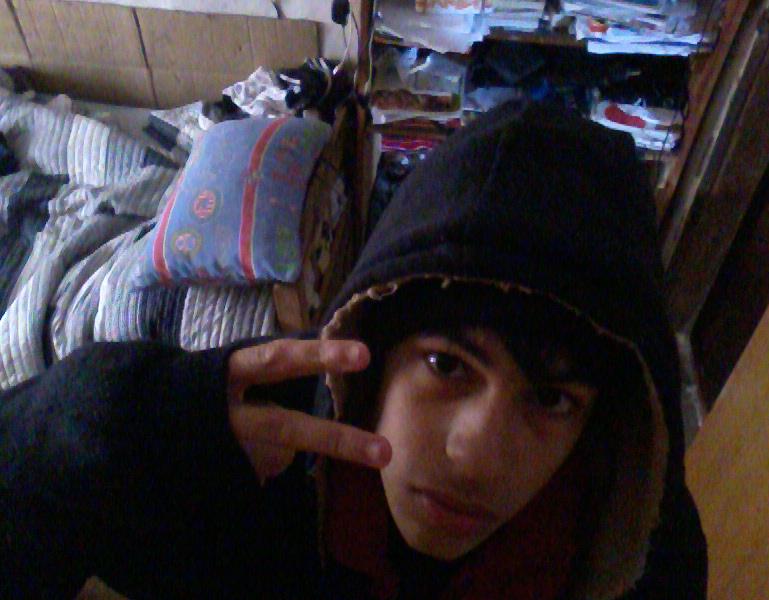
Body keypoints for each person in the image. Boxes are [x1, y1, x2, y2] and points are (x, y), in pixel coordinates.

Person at [0, 100, 707, 599]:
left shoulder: (641, 550)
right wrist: (91, 427)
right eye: (447, 365)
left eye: (551, 400)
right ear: (374, 347)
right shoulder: (250, 444)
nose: (477, 457)